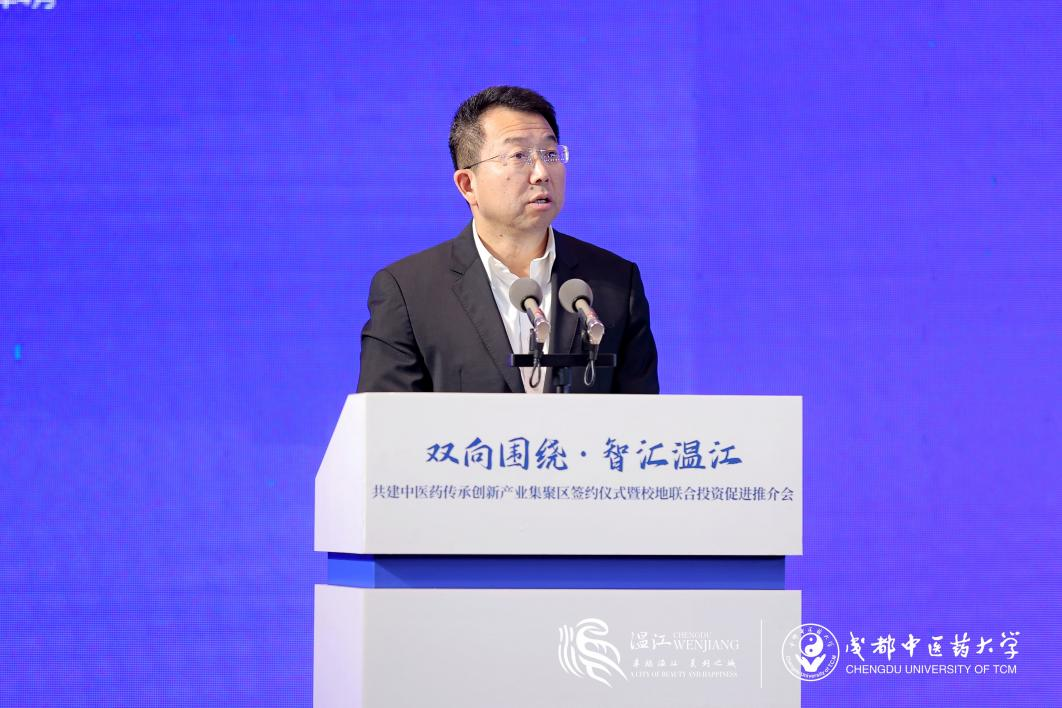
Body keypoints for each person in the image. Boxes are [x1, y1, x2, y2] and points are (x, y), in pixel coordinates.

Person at [357, 86, 658, 394]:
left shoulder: (615, 283)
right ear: (467, 185)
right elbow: (385, 419)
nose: (541, 173)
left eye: (550, 154)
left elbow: (643, 416)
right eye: (519, 156)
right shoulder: (409, 292)